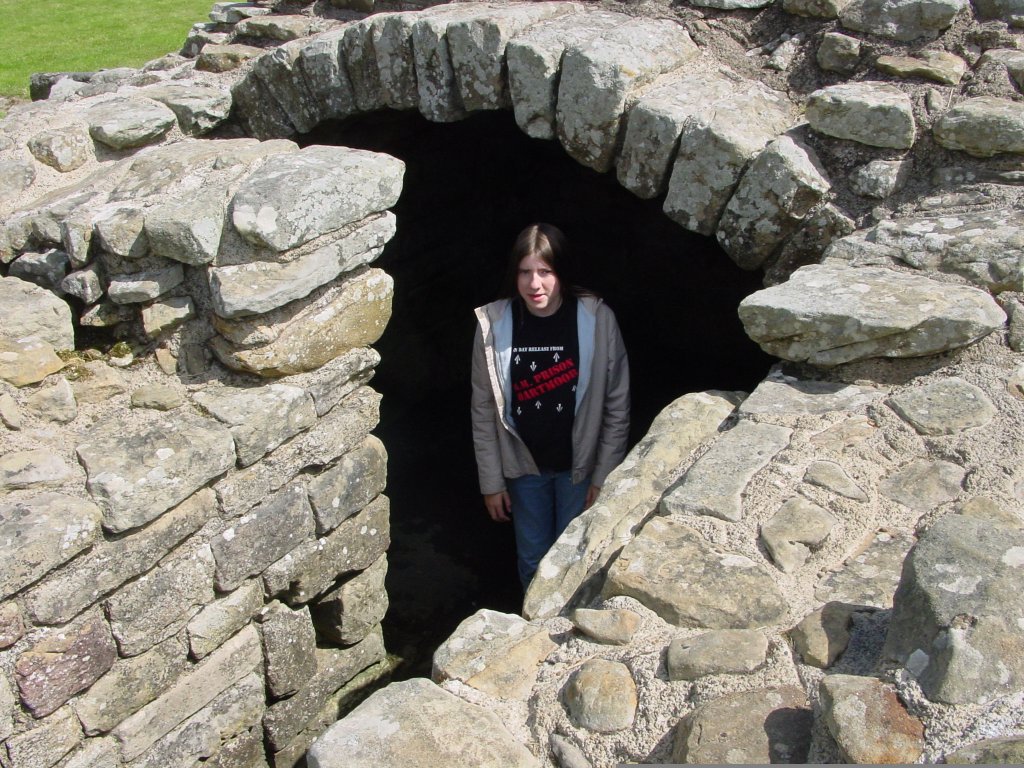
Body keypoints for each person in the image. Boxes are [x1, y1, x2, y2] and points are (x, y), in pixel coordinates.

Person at [471, 223, 630, 589]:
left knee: (575, 559)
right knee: (533, 560)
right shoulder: (494, 324)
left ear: (561, 272)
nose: (534, 284)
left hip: (580, 468)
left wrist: (604, 476)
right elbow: (482, 410)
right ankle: (535, 622)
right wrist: (491, 482)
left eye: (545, 271)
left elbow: (617, 405)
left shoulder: (596, 319)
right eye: (525, 272)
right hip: (524, 468)